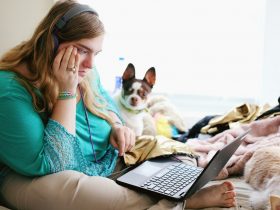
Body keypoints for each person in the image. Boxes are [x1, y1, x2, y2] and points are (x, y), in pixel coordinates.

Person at [0, 1, 236, 209]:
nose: (91, 63)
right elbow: (55, 164)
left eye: (96, 53)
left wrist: (116, 125)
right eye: (82, 50)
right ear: (51, 43)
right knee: (84, 193)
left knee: (174, 153)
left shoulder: (86, 70)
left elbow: (107, 103)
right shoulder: (10, 88)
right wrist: (66, 91)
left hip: (106, 160)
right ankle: (183, 200)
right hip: (43, 176)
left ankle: (173, 191)